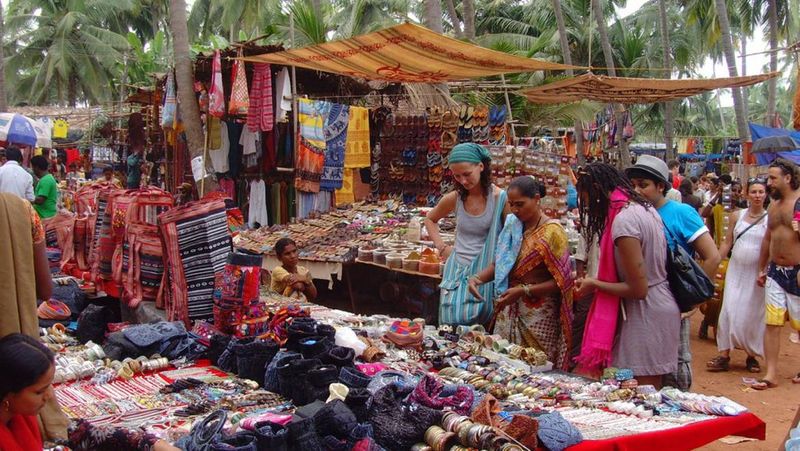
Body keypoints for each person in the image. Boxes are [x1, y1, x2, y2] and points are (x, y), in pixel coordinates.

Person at [574, 163, 679, 388]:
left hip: (646, 315)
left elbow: (637, 289)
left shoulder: (624, 220)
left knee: (640, 395)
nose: (586, 207)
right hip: (653, 309)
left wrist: (595, 284)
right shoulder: (643, 208)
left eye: (586, 199)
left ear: (596, 189)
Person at [626, 155, 721, 390]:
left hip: (671, 304)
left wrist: (690, 302)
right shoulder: (631, 214)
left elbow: (712, 257)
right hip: (638, 303)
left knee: (673, 367)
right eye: (634, 184)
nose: (637, 190)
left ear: (661, 186)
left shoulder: (681, 213)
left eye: (643, 185)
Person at [0, 333, 179, 451]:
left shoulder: (24, 416)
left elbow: (82, 433)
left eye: (49, 386)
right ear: (8, 393)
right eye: (39, 391)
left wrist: (152, 443)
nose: (49, 396)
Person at [467, 176, 574, 369]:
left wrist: (523, 291)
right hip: (509, 307)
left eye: (520, 204)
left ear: (536, 199)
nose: (515, 210)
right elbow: (500, 264)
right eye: (512, 205)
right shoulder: (512, 225)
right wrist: (476, 279)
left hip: (539, 314)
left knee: (537, 366)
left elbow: (561, 282)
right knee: (505, 365)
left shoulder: (552, 232)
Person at [424, 143, 509, 326]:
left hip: (486, 272)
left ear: (481, 166)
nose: (463, 181)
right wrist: (442, 247)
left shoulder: (500, 199)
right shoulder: (455, 198)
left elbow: (510, 240)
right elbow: (430, 219)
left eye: (467, 174)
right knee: (450, 323)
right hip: (456, 270)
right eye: (457, 176)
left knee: (480, 326)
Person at [707, 178, 768, 373]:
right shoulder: (736, 216)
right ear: (746, 194)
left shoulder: (770, 219)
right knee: (728, 310)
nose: (757, 195)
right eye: (754, 192)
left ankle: (752, 356)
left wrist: (765, 269)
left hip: (757, 273)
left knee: (754, 314)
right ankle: (724, 354)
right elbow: (727, 242)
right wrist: (717, 260)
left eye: (761, 192)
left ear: (765, 194)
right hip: (736, 269)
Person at [754, 158, 800, 389]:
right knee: (772, 323)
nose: (768, 182)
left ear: (788, 178)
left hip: (798, 272)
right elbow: (768, 238)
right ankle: (770, 373)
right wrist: (762, 267)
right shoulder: (773, 205)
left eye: (773, 178)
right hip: (775, 273)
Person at [30, 155, 58, 220]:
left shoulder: (46, 180)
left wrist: (27, 200)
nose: (32, 170)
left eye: (32, 167)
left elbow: (40, 200)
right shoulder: (47, 178)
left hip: (45, 216)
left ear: (36, 167)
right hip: (46, 214)